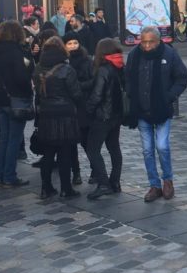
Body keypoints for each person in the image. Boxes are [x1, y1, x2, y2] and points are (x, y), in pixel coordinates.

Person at [125, 27, 187, 200]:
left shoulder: (169, 54)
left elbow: (182, 77)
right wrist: (131, 94)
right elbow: (128, 77)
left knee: (162, 146)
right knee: (147, 150)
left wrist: (169, 96)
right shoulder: (134, 55)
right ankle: (154, 184)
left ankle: (167, 180)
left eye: (150, 41)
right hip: (141, 109)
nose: (146, 46)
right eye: (143, 41)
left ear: (158, 40)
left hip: (162, 108)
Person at [33, 38, 84, 200]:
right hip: (65, 115)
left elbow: (39, 94)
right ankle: (66, 188)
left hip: (46, 114)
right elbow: (76, 94)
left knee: (48, 154)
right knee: (65, 153)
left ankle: (45, 188)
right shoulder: (67, 70)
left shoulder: (38, 69)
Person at [0, 21, 34, 189]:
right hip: (16, 99)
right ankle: (9, 176)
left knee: (4, 138)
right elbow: (22, 77)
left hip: (0, 99)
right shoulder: (15, 51)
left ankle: (0, 175)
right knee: (14, 139)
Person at [84, 38, 126, 200]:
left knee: (92, 150)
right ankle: (114, 182)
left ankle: (103, 184)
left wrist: (88, 110)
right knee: (114, 148)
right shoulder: (119, 65)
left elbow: (97, 95)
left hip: (102, 116)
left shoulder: (103, 69)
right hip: (116, 115)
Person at [63, 31, 94, 186]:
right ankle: (76, 173)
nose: (73, 46)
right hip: (68, 107)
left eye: (75, 43)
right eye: (69, 43)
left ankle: (95, 170)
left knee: (86, 141)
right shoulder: (62, 62)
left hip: (83, 106)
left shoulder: (87, 61)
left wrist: (77, 87)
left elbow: (92, 81)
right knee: (70, 144)